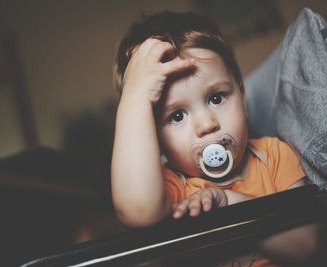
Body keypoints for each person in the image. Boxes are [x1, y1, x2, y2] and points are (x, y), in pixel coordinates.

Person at [111, 10, 320, 266]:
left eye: (216, 98)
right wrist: (135, 99)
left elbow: (310, 247)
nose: (207, 124)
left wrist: (229, 205)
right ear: (152, 135)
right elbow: (139, 210)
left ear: (242, 96)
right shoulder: (169, 188)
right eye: (177, 116)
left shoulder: (275, 156)